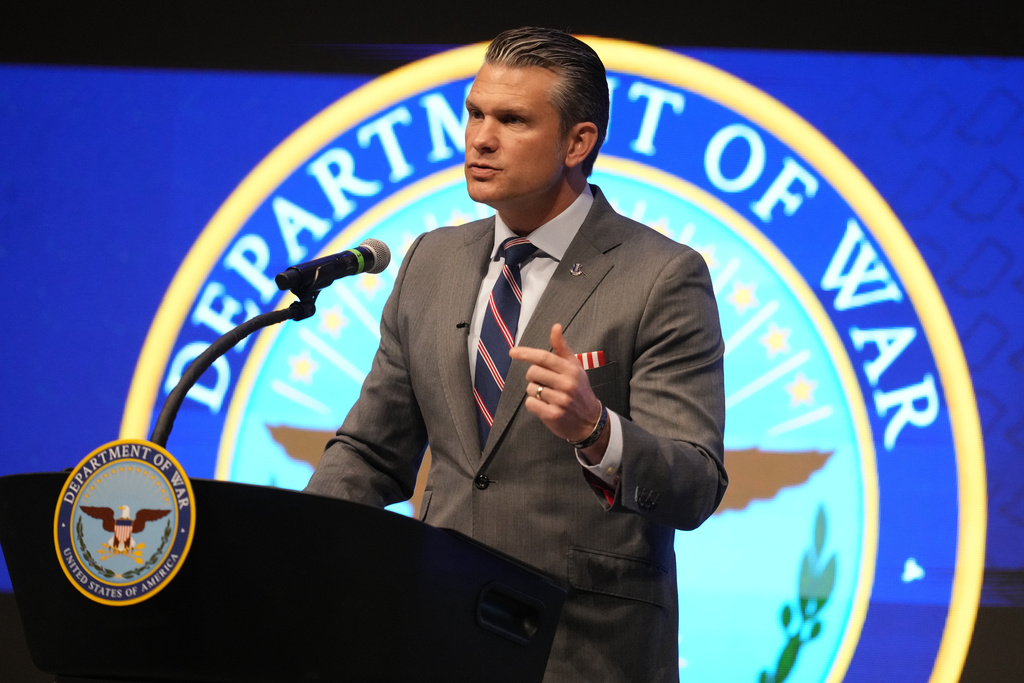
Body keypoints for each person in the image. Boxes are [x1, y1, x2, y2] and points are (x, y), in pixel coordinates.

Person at [305, 26, 727, 682]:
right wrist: (294, 546)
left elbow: (695, 484)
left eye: (512, 119)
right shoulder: (430, 261)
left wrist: (598, 432)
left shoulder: (661, 276)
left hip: (585, 650)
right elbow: (370, 452)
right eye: (474, 113)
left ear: (578, 141)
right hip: (436, 639)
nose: (480, 136)